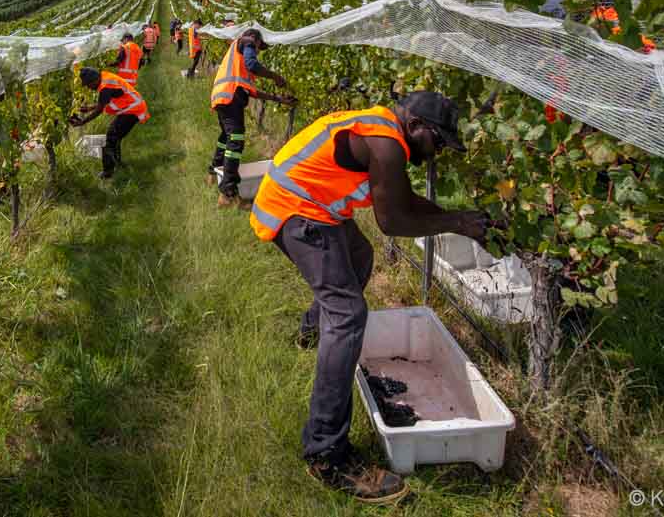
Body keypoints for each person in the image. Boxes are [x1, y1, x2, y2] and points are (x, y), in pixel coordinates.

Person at [248, 91, 491, 503]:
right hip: (295, 209)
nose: (435, 156)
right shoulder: (386, 143)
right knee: (348, 315)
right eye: (437, 143)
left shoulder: (384, 131)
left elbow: (404, 200)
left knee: (359, 258)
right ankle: (326, 453)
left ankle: (311, 331)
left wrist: (459, 219)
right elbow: (393, 220)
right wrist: (458, 223)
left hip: (312, 205)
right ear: (416, 127)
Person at [208, 29, 293, 208]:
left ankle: (212, 173)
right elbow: (252, 64)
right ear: (256, 39)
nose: (257, 50)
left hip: (223, 96)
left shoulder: (236, 60)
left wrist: (278, 98)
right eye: (259, 47)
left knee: (226, 137)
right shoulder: (247, 40)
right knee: (236, 140)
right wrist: (275, 76)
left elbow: (251, 90)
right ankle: (228, 194)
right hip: (230, 97)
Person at [68, 67, 150, 179]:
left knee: (111, 137)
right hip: (131, 108)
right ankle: (117, 164)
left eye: (88, 84)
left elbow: (100, 109)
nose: (88, 87)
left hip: (133, 109)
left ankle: (107, 172)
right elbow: (104, 101)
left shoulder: (105, 87)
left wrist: (83, 122)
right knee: (114, 136)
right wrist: (89, 109)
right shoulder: (105, 78)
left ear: (94, 80)